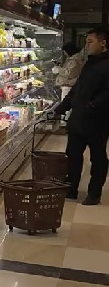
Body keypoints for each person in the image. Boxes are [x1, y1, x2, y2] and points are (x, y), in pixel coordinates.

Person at [55, 28, 109, 204]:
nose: (87, 46)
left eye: (90, 42)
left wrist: (91, 106)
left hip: (97, 122)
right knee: (73, 155)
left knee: (98, 158)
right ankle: (71, 189)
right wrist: (62, 107)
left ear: (103, 43)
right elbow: (77, 89)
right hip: (78, 120)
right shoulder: (89, 63)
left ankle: (94, 193)